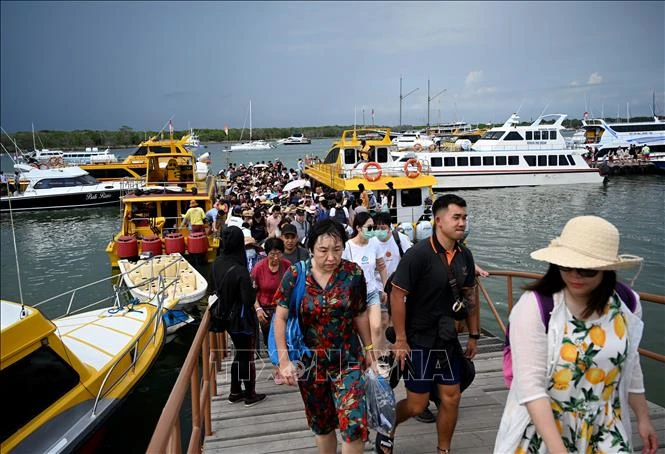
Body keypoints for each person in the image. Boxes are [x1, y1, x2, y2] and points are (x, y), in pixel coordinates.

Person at [494, 216, 659, 454]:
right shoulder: (535, 306)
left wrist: (643, 417)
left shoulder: (627, 304)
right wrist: (558, 449)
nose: (574, 275)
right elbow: (530, 388)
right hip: (544, 432)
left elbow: (631, 365)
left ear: (605, 269)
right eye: (565, 266)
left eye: (585, 270)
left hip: (606, 429)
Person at [384, 194, 479, 454]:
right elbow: (396, 293)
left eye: (464, 217)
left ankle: (443, 450)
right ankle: (387, 426)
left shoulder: (465, 256)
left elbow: (470, 296)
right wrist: (401, 339)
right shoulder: (418, 255)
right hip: (419, 339)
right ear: (438, 220)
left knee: (452, 397)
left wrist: (473, 335)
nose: (462, 223)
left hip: (447, 339)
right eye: (456, 217)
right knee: (417, 404)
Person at [272, 219, 374, 453]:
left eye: (337, 250)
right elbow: (280, 317)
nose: (331, 257)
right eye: (323, 251)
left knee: (354, 425)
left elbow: (359, 313)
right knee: (323, 425)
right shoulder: (296, 274)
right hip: (310, 364)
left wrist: (370, 350)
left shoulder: (353, 274)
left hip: (348, 360)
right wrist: (284, 360)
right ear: (311, 249)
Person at [210, 226, 267, 407]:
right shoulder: (240, 269)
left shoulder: (217, 263)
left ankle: (235, 391)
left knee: (238, 353)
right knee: (245, 355)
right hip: (241, 318)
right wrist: (254, 288)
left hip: (224, 316)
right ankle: (250, 394)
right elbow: (248, 299)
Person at [342, 212, 388, 362]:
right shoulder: (348, 247)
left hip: (372, 291)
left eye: (373, 227)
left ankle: (375, 361)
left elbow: (381, 266)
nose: (372, 231)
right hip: (354, 295)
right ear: (358, 228)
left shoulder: (374, 242)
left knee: (376, 326)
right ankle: (362, 358)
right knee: (358, 330)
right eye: (369, 228)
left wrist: (385, 287)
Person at [251, 237, 290, 350]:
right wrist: (258, 309)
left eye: (279, 254)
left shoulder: (288, 266)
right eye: (272, 254)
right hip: (265, 309)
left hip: (282, 308)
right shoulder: (259, 268)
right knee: (269, 340)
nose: (276, 257)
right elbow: (252, 292)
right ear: (267, 254)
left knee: (283, 339)